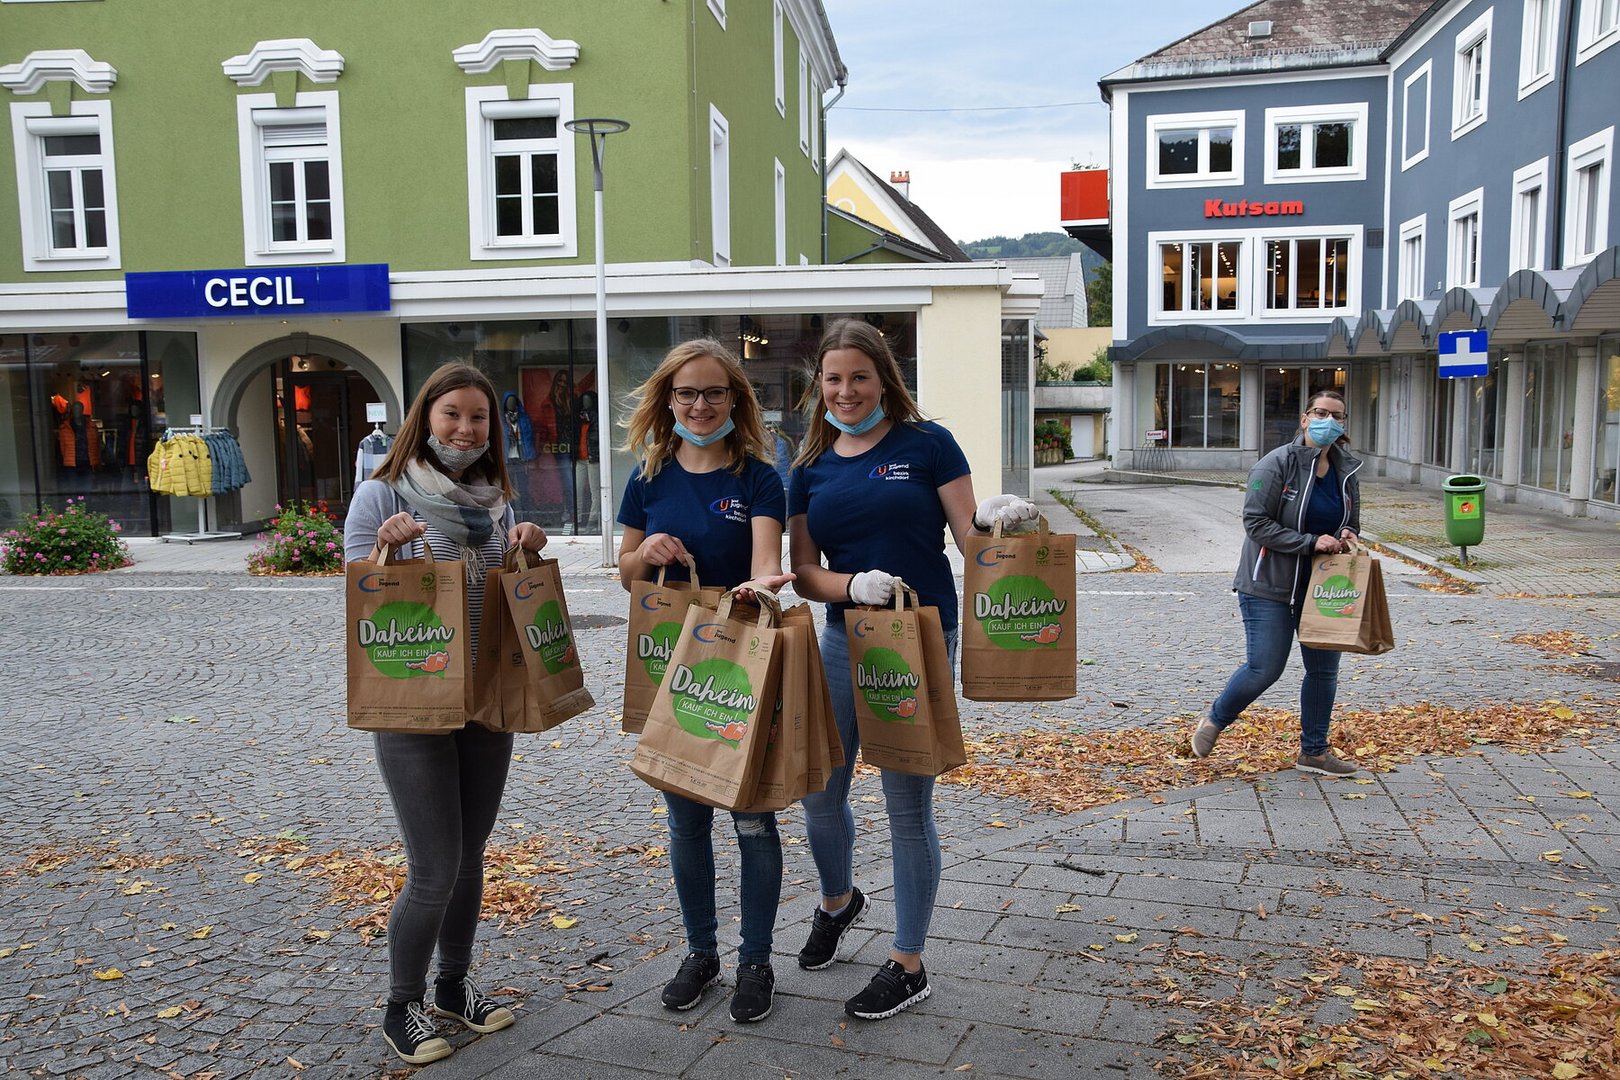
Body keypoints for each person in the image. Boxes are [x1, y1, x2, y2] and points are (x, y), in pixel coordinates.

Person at [785, 319, 1035, 1020]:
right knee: (820, 792)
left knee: (905, 803)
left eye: (859, 377)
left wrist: (994, 522)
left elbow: (970, 540)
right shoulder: (808, 466)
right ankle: (838, 902)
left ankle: (908, 962)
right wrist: (850, 584)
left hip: (919, 639)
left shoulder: (928, 444)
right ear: (819, 386)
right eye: (833, 379)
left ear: (884, 378)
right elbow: (803, 571)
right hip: (844, 637)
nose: (846, 391)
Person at [342, 362, 548, 1065]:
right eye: (452, 414)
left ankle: (454, 988)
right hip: (414, 701)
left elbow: (502, 592)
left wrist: (526, 550)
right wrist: (388, 551)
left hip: (487, 699)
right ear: (424, 418)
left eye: (478, 417)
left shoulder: (496, 501)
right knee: (434, 866)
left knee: (470, 858)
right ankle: (401, 1005)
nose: (465, 428)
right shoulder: (381, 493)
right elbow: (358, 593)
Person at [617, 338, 795, 1023]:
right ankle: (701, 953)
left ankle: (756, 960)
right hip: (672, 663)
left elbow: (765, 561)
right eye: (687, 393)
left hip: (740, 659)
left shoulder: (758, 479)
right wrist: (644, 551)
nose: (700, 405)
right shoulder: (648, 478)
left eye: (714, 392)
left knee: (752, 818)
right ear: (668, 400)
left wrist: (759, 585)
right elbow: (627, 572)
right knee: (686, 820)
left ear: (734, 400)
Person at [1191, 388, 1362, 777]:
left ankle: (1314, 753)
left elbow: (1351, 518)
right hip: (1268, 583)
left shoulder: (1346, 470)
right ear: (1305, 418)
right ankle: (1215, 719)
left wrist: (1348, 533)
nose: (1328, 421)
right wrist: (1309, 542)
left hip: (1322, 587)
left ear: (1343, 425)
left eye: (1336, 416)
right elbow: (1255, 522)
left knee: (1323, 671)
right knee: (1265, 667)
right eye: (1320, 413)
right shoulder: (1275, 465)